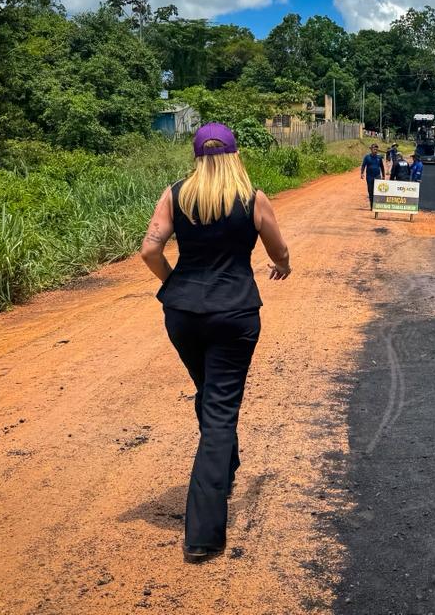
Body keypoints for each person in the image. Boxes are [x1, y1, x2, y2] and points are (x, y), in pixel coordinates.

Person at [140, 122, 292, 564]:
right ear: (234, 153)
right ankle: (203, 534)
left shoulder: (175, 195)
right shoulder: (253, 198)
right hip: (234, 314)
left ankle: (224, 464)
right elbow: (278, 250)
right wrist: (282, 266)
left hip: (183, 315)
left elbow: (150, 251)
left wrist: (176, 286)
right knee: (221, 409)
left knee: (209, 391)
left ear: (196, 156)